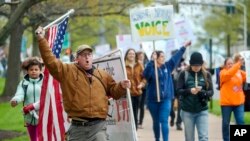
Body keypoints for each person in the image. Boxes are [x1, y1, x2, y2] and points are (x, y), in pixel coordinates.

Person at [35, 26, 131, 141]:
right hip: (78, 128)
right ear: (77, 58)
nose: (87, 57)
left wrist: (121, 86)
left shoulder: (102, 74)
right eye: (83, 54)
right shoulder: (67, 71)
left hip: (98, 126)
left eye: (89, 54)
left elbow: (114, 93)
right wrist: (41, 40)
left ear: (92, 57)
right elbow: (50, 62)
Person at [143, 41, 191, 141]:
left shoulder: (168, 66)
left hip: (166, 100)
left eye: (164, 56)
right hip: (153, 100)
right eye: (161, 56)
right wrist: (152, 62)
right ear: (156, 57)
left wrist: (184, 46)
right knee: (156, 121)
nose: (163, 58)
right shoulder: (151, 67)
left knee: (164, 120)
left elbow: (176, 57)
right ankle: (157, 138)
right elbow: (146, 75)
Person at [176, 52, 214, 141]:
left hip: (202, 110)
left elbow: (211, 91)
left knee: (204, 137)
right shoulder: (183, 74)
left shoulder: (206, 74)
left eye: (198, 65)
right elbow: (178, 91)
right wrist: (189, 90)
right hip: (187, 111)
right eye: (194, 65)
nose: (196, 67)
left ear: (202, 64)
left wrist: (203, 93)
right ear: (190, 64)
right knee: (189, 138)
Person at [10, 57, 44, 141]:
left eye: (36, 69)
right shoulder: (24, 83)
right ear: (27, 71)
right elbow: (20, 94)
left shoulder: (45, 82)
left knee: (42, 138)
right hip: (29, 115)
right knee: (33, 139)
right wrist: (15, 100)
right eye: (31, 69)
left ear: (40, 70)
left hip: (43, 115)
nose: (34, 71)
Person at [219, 55, 245, 141]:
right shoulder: (223, 73)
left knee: (240, 122)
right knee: (226, 123)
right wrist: (238, 64)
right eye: (228, 64)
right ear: (225, 65)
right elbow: (229, 73)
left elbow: (247, 76)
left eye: (231, 63)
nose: (230, 65)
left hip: (239, 102)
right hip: (227, 103)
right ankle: (226, 139)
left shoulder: (239, 72)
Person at [124, 49, 146, 130]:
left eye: (133, 54)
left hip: (137, 92)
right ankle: (131, 130)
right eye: (129, 53)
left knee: (135, 111)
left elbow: (145, 77)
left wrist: (142, 84)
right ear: (126, 55)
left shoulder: (139, 65)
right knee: (130, 113)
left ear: (135, 55)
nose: (131, 55)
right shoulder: (123, 65)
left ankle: (135, 131)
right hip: (127, 93)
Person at [170, 57, 187, 131]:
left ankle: (178, 123)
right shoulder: (171, 65)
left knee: (180, 106)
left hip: (180, 87)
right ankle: (172, 116)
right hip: (172, 87)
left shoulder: (185, 65)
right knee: (170, 106)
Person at [136, 51, 148, 129]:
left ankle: (141, 122)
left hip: (144, 87)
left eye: (142, 55)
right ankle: (136, 121)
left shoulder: (147, 64)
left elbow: (146, 75)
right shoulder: (136, 65)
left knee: (142, 105)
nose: (141, 56)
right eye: (140, 55)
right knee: (137, 105)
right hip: (137, 87)